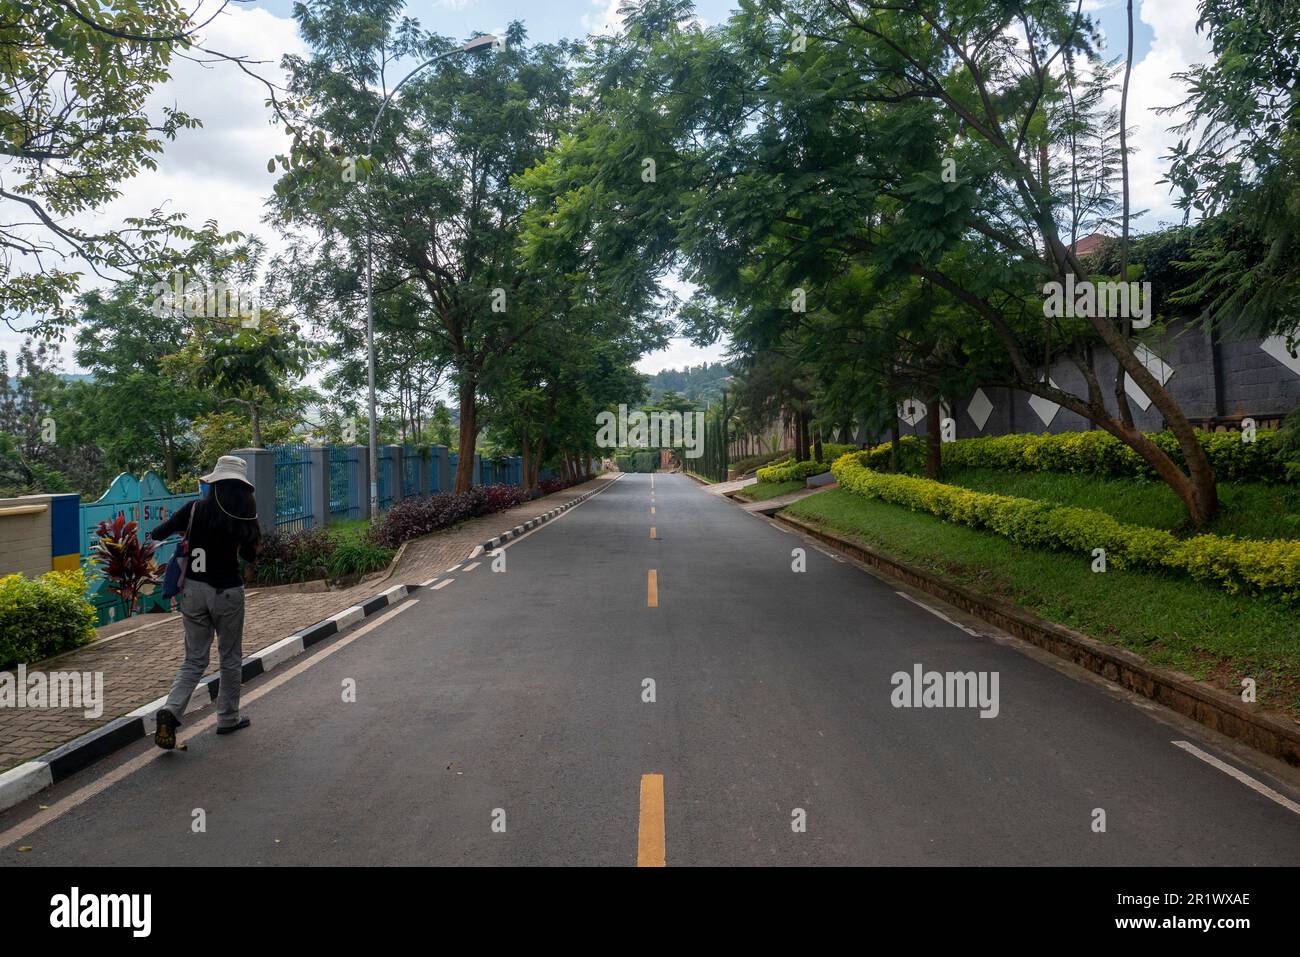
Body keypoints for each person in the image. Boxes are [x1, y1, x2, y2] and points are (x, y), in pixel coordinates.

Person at [150, 455, 262, 748]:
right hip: (227, 593)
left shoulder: (194, 509)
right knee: (230, 657)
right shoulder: (246, 515)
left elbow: (157, 533)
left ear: (213, 484)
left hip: (193, 592)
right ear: (242, 487)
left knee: (195, 659)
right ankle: (227, 718)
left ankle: (171, 709)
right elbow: (250, 557)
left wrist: (186, 532)